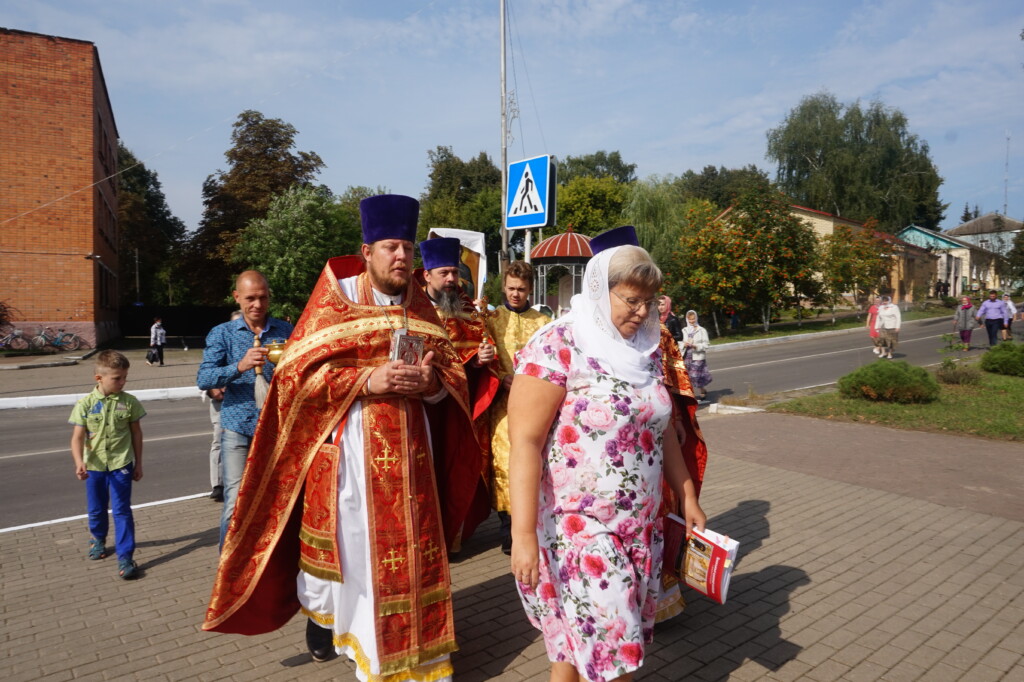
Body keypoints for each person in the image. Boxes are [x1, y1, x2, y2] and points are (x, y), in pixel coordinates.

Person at [202, 195, 477, 682]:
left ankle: (419, 657)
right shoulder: (335, 303)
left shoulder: (420, 308)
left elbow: (453, 376)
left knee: (413, 562)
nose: (401, 257)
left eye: (408, 249)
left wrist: (433, 384)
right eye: (391, 247)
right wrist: (367, 382)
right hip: (354, 467)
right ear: (367, 250)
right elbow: (293, 381)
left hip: (414, 465)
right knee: (359, 568)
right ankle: (363, 649)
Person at [508, 243, 706, 682]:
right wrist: (522, 534)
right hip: (580, 528)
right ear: (600, 290)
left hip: (638, 524)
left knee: (573, 645)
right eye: (631, 299)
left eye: (649, 301)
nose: (641, 311)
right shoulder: (558, 343)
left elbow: (662, 429)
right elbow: (524, 439)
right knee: (618, 650)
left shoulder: (644, 350)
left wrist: (687, 494)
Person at [196, 271, 293, 546]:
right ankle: (230, 572)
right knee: (235, 504)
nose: (257, 305)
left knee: (277, 499)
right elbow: (204, 378)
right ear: (237, 297)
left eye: (263, 298)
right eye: (250, 298)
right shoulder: (222, 333)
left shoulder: (285, 331)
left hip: (275, 428)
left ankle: (266, 568)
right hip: (237, 427)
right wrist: (240, 366)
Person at [419, 236, 499, 551]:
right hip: (420, 407)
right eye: (444, 273)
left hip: (457, 407)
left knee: (455, 469)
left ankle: (452, 535)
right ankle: (426, 537)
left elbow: (480, 349)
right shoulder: (412, 306)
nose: (452, 279)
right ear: (426, 275)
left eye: (454, 272)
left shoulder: (466, 306)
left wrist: (482, 359)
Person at [486, 260, 550, 555]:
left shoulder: (543, 323)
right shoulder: (492, 319)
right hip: (502, 403)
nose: (515, 294)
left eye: (521, 289)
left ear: (530, 289)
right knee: (504, 460)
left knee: (535, 459)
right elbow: (484, 363)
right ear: (504, 287)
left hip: (534, 402)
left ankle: (534, 523)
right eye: (511, 288)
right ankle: (508, 528)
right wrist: (501, 378)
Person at [68, 350, 146, 580]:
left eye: (124, 377)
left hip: (121, 464)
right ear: (99, 378)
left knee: (122, 510)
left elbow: (137, 435)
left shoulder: (129, 402)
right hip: (94, 466)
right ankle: (98, 539)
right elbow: (77, 438)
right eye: (117, 378)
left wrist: (139, 463)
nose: (122, 382)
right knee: (96, 508)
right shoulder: (85, 404)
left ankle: (125, 556)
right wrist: (78, 461)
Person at [681, 310, 712, 401]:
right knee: (688, 376)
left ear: (696, 318)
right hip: (687, 356)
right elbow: (680, 342)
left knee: (695, 375)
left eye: (693, 319)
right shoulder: (684, 330)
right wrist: (684, 345)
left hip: (697, 355)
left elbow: (706, 345)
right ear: (687, 319)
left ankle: (702, 391)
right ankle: (692, 394)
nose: (692, 321)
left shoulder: (702, 330)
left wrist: (696, 346)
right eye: (689, 319)